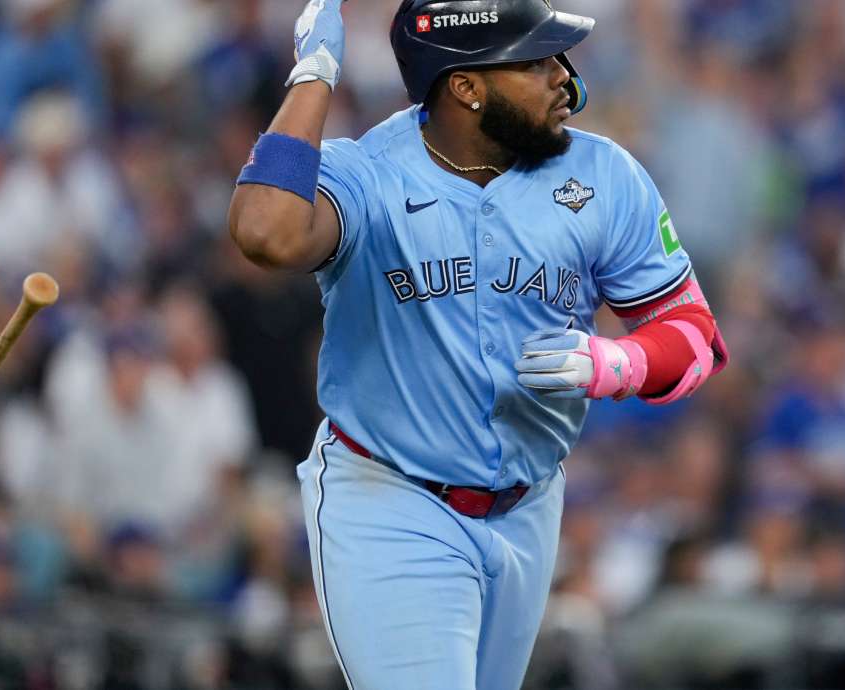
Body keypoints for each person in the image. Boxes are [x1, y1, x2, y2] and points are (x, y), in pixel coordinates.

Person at [226, 0, 730, 688]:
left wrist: (622, 362)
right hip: (391, 498)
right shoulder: (369, 174)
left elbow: (697, 338)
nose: (563, 77)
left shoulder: (603, 175)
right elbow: (265, 233)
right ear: (466, 86)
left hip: (528, 506)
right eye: (536, 62)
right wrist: (314, 74)